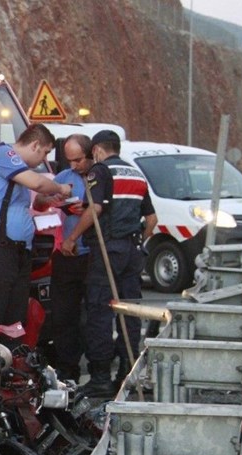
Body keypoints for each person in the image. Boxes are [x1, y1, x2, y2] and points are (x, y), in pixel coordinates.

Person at [62, 129, 158, 398]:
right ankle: (128, 372)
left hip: (107, 249)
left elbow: (97, 208)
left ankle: (101, 377)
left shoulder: (100, 171)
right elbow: (151, 220)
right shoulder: (136, 174)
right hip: (132, 250)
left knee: (99, 311)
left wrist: (72, 237)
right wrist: (136, 238)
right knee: (129, 309)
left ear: (96, 151)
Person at [0, 123, 72, 328]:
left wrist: (44, 200)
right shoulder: (2, 154)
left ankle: (11, 356)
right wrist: (60, 187)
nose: (44, 160)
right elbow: (38, 183)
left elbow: (31, 203)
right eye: (45, 153)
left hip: (15, 250)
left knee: (15, 315)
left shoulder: (16, 172)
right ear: (35, 145)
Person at [47, 134, 98, 382]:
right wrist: (57, 199)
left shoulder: (99, 176)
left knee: (92, 316)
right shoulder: (64, 177)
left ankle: (98, 369)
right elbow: (39, 200)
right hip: (65, 256)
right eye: (69, 161)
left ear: (91, 154)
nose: (74, 166)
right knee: (63, 315)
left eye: (78, 160)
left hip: (90, 255)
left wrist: (87, 209)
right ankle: (67, 370)